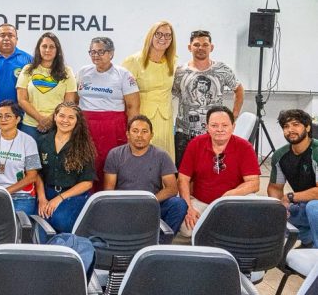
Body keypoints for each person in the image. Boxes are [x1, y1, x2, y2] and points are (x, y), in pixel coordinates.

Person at [177, 106, 260, 237]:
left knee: (249, 218)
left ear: (233, 126)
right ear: (207, 127)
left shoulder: (245, 147)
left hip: (231, 201)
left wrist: (230, 195)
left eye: (225, 125)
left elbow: (254, 183)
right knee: (186, 229)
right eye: (214, 125)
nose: (220, 130)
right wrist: (189, 208)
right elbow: (183, 179)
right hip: (201, 201)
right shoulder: (195, 144)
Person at [103, 115, 188, 233]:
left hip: (152, 204)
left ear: (151, 135)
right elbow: (108, 189)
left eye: (144, 131)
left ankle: (161, 243)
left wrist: (149, 201)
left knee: (179, 204)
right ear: (128, 134)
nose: (139, 135)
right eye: (135, 131)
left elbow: (172, 189)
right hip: (123, 206)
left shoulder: (162, 156)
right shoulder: (115, 154)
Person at [76, 37, 140, 191]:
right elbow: (76, 101)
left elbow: (133, 107)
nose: (96, 55)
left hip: (112, 126)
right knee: (87, 162)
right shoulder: (83, 72)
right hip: (86, 126)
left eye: (101, 51)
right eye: (92, 51)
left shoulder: (123, 74)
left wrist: (131, 132)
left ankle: (109, 199)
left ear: (111, 53)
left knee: (110, 163)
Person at [172, 30, 244, 166]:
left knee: (210, 172)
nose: (201, 48)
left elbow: (239, 90)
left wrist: (233, 116)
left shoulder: (222, 70)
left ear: (211, 47)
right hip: (184, 134)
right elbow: (174, 93)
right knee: (183, 173)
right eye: (196, 44)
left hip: (213, 134)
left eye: (205, 44)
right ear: (189, 47)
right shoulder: (180, 72)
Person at [35, 102, 97, 233]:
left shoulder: (84, 146)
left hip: (72, 195)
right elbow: (37, 173)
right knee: (41, 224)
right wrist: (42, 199)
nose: (65, 120)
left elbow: (87, 183)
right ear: (55, 117)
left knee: (61, 220)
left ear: (77, 121)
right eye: (61, 116)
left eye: (71, 117)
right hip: (47, 191)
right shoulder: (42, 141)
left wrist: (59, 198)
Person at [123, 21, 178, 161]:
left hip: (165, 120)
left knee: (163, 162)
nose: (163, 38)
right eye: (158, 34)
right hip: (141, 118)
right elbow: (122, 94)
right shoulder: (133, 61)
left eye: (167, 35)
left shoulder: (173, 61)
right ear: (150, 36)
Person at [0, 100, 41, 215]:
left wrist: (5, 192)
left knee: (16, 229)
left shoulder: (28, 141)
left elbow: (32, 176)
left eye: (8, 116)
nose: (3, 119)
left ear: (17, 119)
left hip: (22, 196)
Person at [268, 109, 318, 248]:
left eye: (295, 124)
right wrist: (280, 207)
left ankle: (315, 256)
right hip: (301, 206)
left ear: (307, 127)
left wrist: (290, 197)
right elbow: (274, 188)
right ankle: (308, 240)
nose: (290, 130)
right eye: (286, 126)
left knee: (314, 208)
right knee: (265, 217)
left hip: (314, 206)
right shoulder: (280, 156)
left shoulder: (316, 152)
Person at [16, 32, 76, 147]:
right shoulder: (28, 69)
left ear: (57, 50)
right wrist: (40, 119)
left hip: (57, 126)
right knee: (29, 163)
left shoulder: (67, 72)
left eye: (52, 47)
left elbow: (69, 102)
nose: (47, 50)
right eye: (44, 46)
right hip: (30, 126)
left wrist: (50, 120)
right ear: (39, 49)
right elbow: (22, 99)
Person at [0, 24, 31, 129]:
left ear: (16, 39)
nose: (6, 38)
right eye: (2, 35)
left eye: (10, 35)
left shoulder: (28, 60)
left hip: (18, 118)